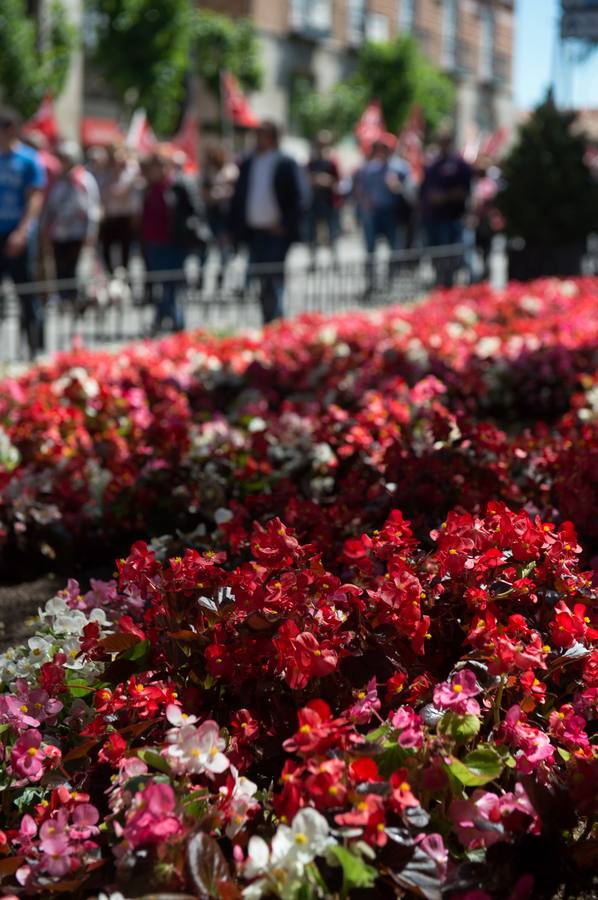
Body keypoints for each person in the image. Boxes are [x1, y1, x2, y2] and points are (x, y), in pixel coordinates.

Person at [228, 120, 305, 324]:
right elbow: (239, 197)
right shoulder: (248, 162)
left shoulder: (286, 162)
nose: (257, 139)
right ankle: (267, 320)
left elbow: (300, 198)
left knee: (274, 280)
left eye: (262, 134)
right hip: (254, 231)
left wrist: (285, 225)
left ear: (272, 137)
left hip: (276, 233)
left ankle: (277, 322)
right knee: (260, 280)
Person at [0, 108, 46, 358]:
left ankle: (34, 350)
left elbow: (35, 199)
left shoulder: (28, 160)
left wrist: (22, 232)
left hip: (18, 236)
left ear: (10, 130)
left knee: (26, 295)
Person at [139, 151, 201, 334]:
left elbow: (193, 212)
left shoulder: (179, 185)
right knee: (161, 285)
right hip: (154, 243)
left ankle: (177, 322)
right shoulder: (149, 189)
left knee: (172, 285)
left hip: (174, 243)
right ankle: (164, 318)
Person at [354, 133, 414, 296]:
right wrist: (364, 203)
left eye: (384, 148)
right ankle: (371, 283)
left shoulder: (401, 167)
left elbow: (412, 192)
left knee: (394, 250)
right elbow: (360, 190)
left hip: (393, 214)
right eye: (378, 148)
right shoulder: (368, 168)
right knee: (370, 251)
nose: (381, 151)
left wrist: (398, 187)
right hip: (373, 214)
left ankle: (390, 284)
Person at [41, 141, 101, 302]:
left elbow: (92, 209)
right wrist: (46, 227)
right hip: (59, 233)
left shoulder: (84, 180)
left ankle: (77, 300)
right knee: (60, 269)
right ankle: (63, 299)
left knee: (76, 269)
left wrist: (91, 231)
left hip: (77, 233)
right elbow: (51, 206)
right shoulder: (58, 181)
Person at [421, 129, 472, 287]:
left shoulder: (460, 164)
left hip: (451, 217)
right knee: (436, 254)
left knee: (451, 254)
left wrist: (444, 197)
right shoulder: (433, 164)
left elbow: (464, 192)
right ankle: (440, 281)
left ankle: (449, 283)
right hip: (433, 218)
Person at [202, 143, 238, 290]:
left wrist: (224, 192)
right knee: (207, 248)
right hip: (211, 215)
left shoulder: (231, 171)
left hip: (225, 216)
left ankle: (221, 276)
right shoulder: (207, 172)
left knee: (224, 250)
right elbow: (204, 193)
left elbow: (236, 192)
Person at [99, 146, 140, 273]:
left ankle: (124, 276)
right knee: (106, 250)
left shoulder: (130, 175)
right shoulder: (105, 176)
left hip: (125, 218)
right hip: (110, 218)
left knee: (125, 251)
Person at [306, 130, 340, 263]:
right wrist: (314, 180)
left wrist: (327, 181)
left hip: (329, 202)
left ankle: (334, 259)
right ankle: (312, 260)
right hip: (314, 202)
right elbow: (305, 178)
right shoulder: (311, 161)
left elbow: (339, 182)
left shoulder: (332, 161)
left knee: (333, 233)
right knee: (312, 234)